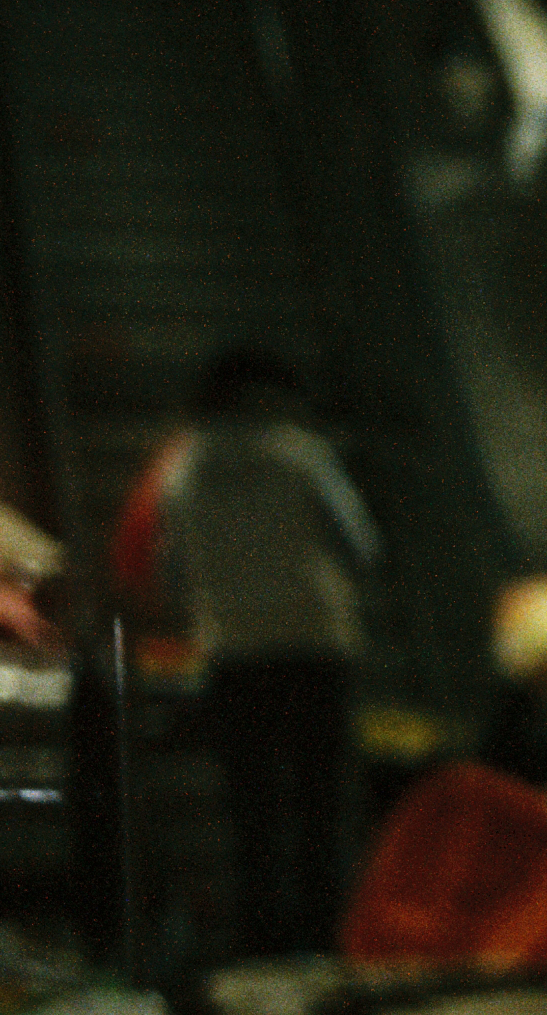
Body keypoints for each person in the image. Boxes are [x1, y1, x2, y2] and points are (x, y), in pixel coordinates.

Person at [133, 347, 380, 959]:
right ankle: (327, 934)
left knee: (253, 807)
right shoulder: (304, 458)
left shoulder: (183, 472)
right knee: (320, 802)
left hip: (234, 656)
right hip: (316, 648)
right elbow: (360, 546)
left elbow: (170, 574)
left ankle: (263, 938)